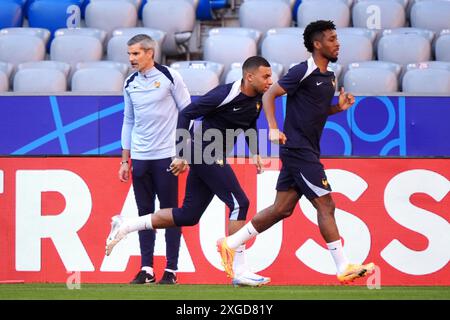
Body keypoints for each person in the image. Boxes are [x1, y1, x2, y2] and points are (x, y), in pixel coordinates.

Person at [216, 20, 375, 284]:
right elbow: (269, 95)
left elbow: (316, 110)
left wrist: (339, 108)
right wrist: (273, 128)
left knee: (281, 209)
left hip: (305, 149)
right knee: (326, 203)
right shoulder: (303, 70)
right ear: (317, 44)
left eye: (337, 38)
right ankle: (343, 265)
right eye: (332, 39)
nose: (338, 43)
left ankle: (231, 243)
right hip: (298, 149)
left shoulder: (330, 76)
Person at [106, 56, 273, 287]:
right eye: (266, 76)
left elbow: (250, 122)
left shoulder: (258, 97)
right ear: (249, 76)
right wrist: (181, 154)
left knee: (188, 216)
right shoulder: (223, 94)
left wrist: (255, 152)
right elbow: (186, 114)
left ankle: (126, 225)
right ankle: (240, 270)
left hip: (211, 153)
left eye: (270, 76)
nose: (270, 81)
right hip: (202, 149)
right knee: (239, 203)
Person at [118, 34, 191, 285]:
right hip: (140, 157)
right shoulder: (129, 83)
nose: (131, 59)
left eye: (136, 53)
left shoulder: (171, 77)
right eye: (129, 54)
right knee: (143, 214)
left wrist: (183, 153)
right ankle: (146, 268)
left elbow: (188, 113)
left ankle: (171, 270)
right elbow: (128, 121)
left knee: (170, 213)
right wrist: (124, 160)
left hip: (166, 156)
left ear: (150, 53)